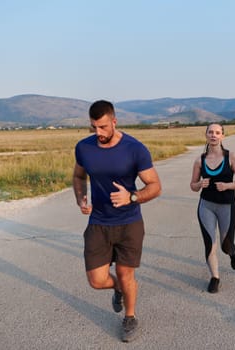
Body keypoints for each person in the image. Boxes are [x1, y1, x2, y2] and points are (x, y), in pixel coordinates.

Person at [73, 100, 162, 343]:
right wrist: (81, 198)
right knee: (96, 280)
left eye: (103, 127)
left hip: (129, 222)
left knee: (125, 273)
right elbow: (78, 176)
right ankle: (117, 290)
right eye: (94, 128)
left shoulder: (135, 149)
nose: (98, 133)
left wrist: (131, 196)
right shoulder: (84, 148)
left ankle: (130, 317)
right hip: (98, 223)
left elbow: (155, 186)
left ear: (114, 121)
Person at [190, 123, 235, 293]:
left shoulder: (232, 157)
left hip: (226, 206)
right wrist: (200, 183)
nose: (214, 135)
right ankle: (215, 277)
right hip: (206, 206)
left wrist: (228, 186)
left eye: (217, 132)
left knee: (225, 245)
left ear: (223, 136)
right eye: (210, 132)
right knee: (210, 244)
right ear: (206, 135)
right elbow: (192, 185)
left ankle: (233, 252)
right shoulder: (200, 160)